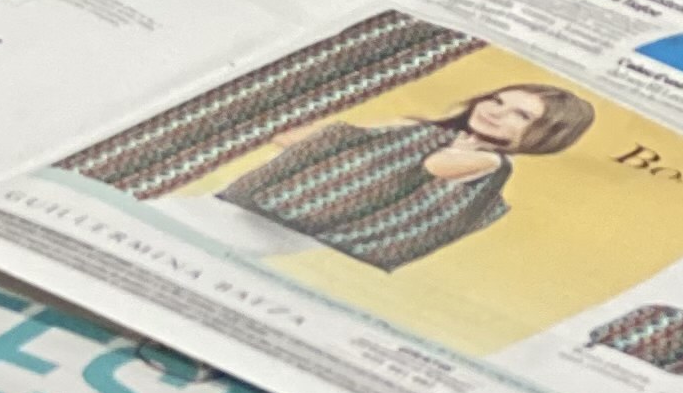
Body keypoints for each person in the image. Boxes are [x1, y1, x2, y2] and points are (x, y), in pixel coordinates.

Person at [216, 80, 593, 265]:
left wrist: (452, 147)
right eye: (496, 100)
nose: (495, 111)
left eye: (520, 115)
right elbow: (296, 140)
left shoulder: (489, 162)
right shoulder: (420, 130)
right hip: (262, 206)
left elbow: (431, 166)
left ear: (544, 135)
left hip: (296, 226)